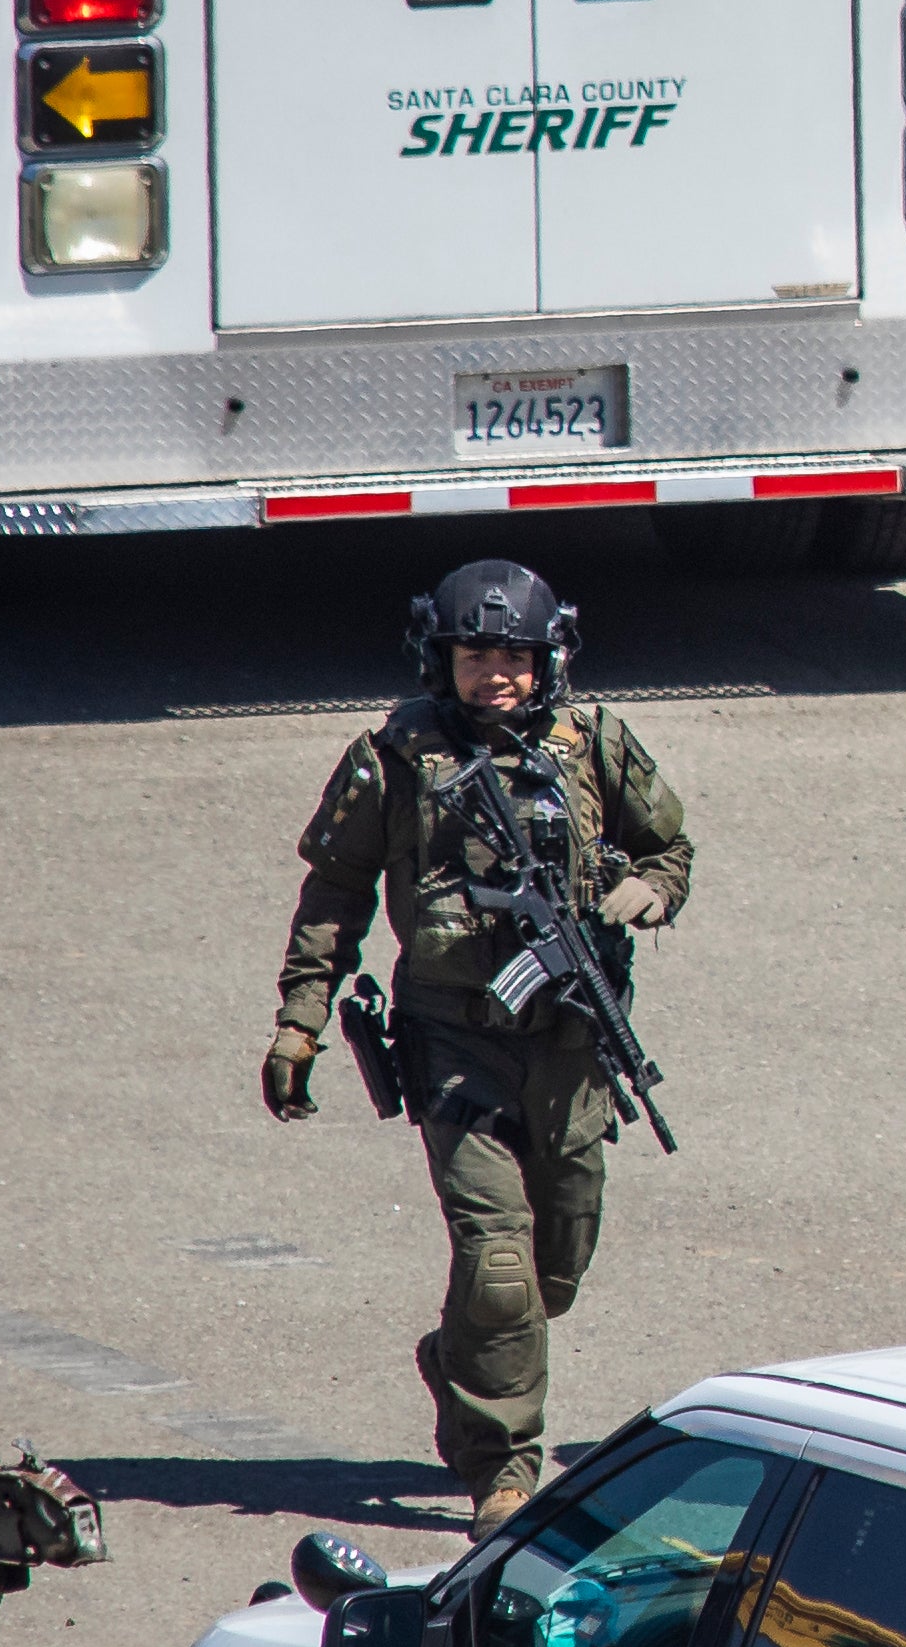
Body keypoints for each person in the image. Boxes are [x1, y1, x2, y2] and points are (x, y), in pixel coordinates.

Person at [262, 558, 695, 1525]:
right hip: (457, 1045)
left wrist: (649, 893)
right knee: (497, 1264)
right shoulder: (397, 757)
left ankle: (459, 1356)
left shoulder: (597, 745)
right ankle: (504, 1470)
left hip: (574, 1051)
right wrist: (299, 1021)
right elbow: (335, 894)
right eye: (473, 654)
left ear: (549, 660)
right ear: (439, 658)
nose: (494, 672)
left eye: (514, 654)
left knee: (551, 1275)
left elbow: (671, 847)